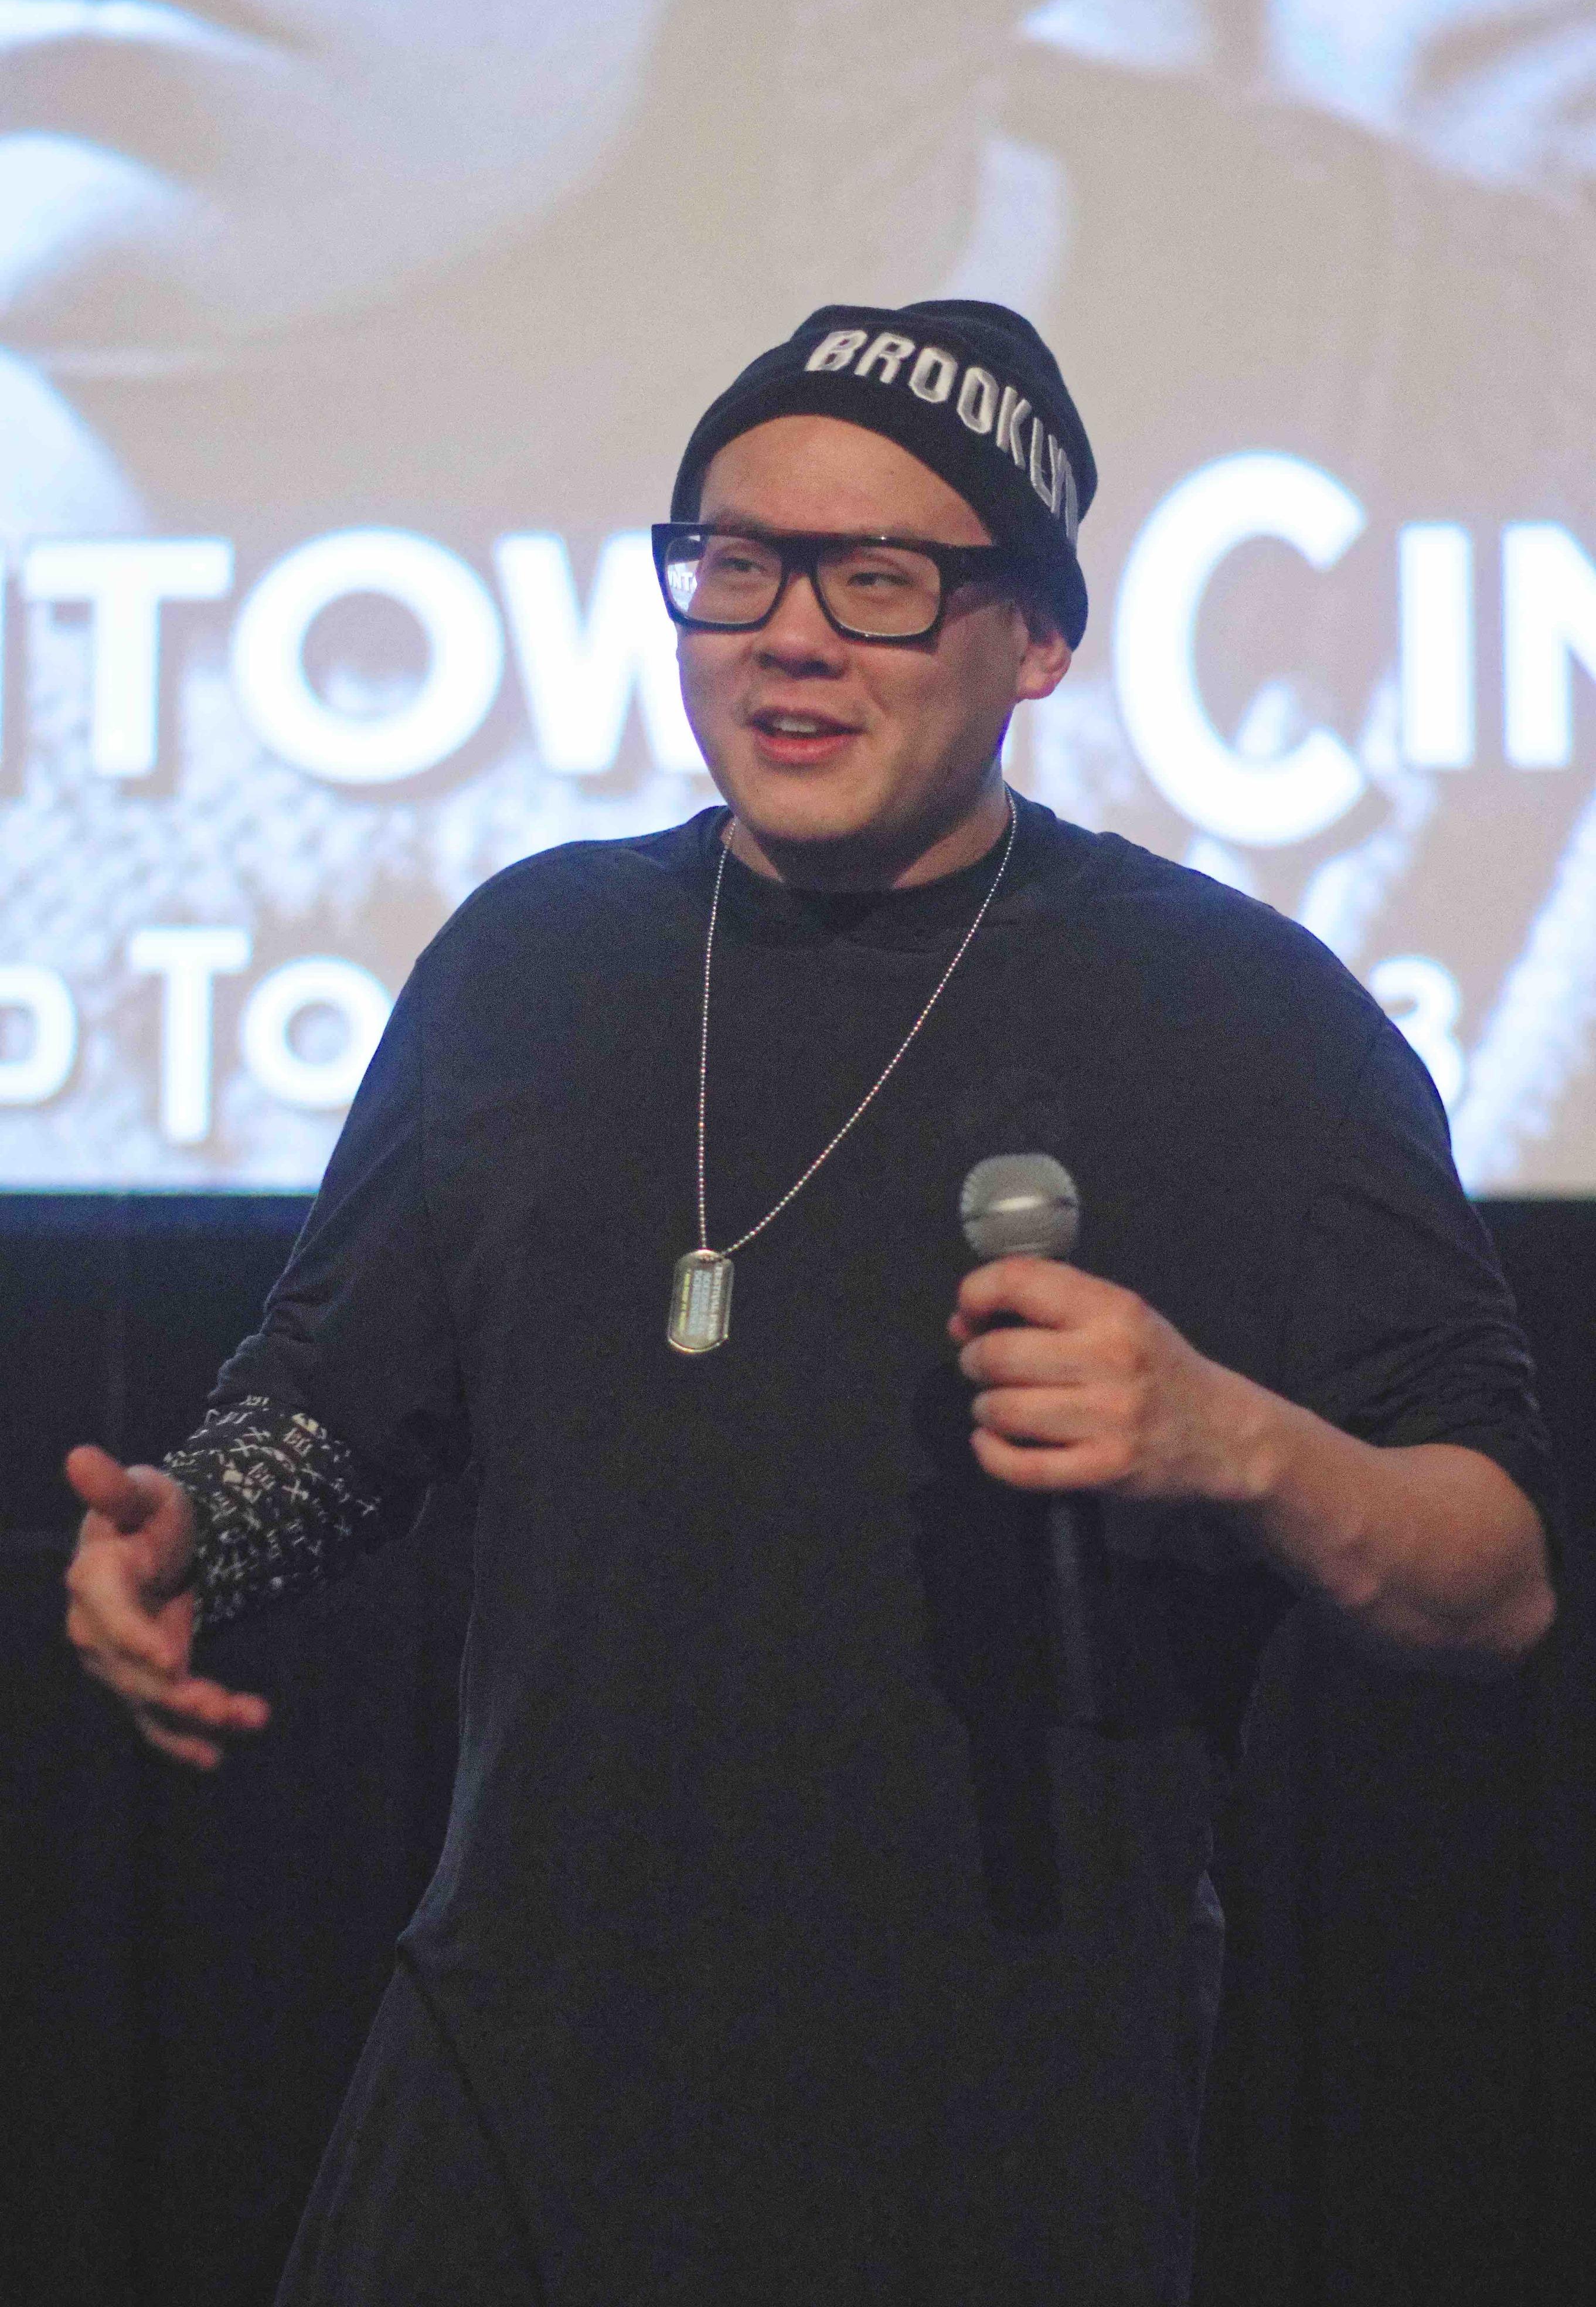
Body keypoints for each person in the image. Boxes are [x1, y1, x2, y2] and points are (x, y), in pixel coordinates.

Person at [63, 298, 1557, 2305]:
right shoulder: (533, 965)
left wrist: (1238, 1446)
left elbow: (1494, 1581)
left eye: (877, 580)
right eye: (736, 563)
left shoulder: (1246, 1023)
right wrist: (196, 1530)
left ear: (1036, 641)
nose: (787, 634)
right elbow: (334, 1405)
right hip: (506, 2088)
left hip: (986, 2134)